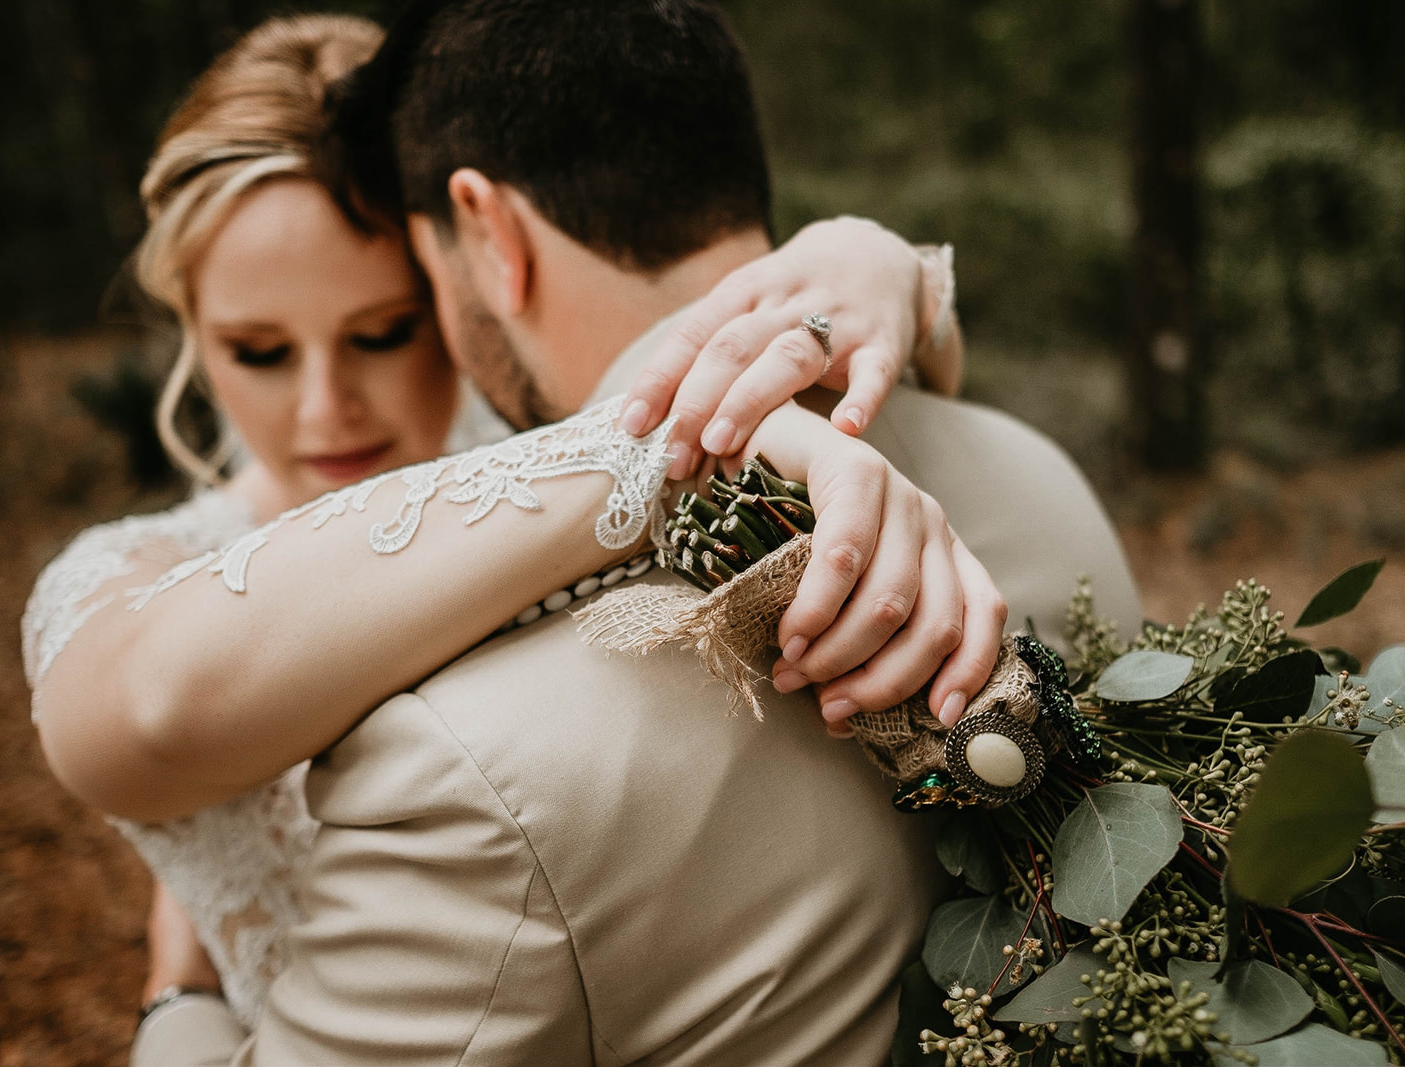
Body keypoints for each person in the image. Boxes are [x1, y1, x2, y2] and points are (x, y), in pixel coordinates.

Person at [131, 2, 1144, 1063]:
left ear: (486, 230)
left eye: (406, 305)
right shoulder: (1039, 472)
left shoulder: (465, 776)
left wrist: (178, 995)